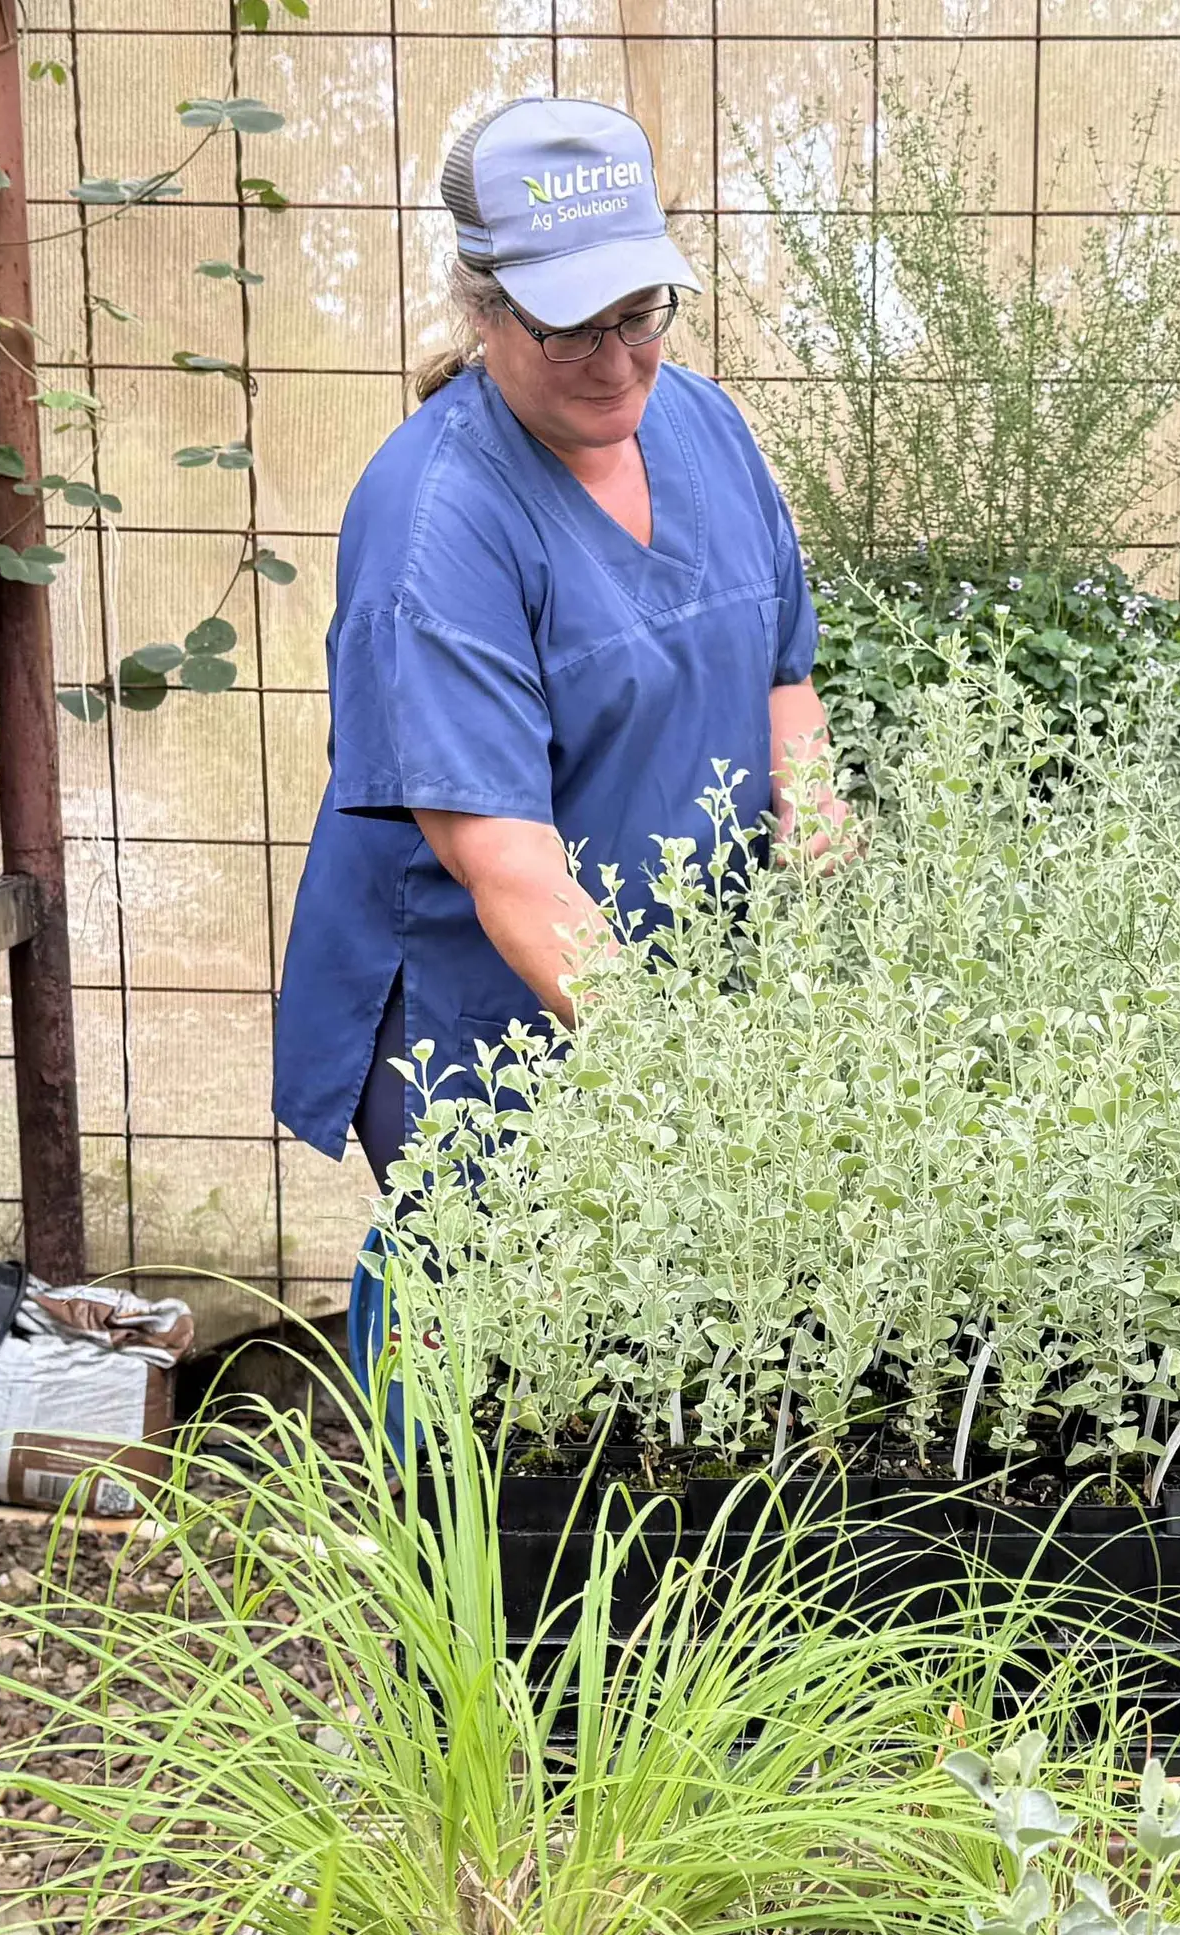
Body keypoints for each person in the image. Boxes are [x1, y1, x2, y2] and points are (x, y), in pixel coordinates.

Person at [271, 94, 847, 1195]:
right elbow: (512, 871)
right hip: (487, 1020)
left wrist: (810, 807)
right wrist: (691, 1090)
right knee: (494, 1334)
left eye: (641, 314)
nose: (620, 361)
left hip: (671, 989)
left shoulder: (705, 425)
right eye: (572, 327)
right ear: (483, 311)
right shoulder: (437, 524)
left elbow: (783, 670)